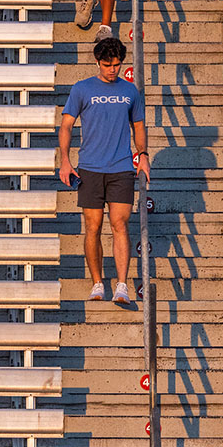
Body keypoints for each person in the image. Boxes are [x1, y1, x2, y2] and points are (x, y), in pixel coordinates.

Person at [59, 37, 151, 305]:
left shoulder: (130, 91)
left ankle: (121, 285)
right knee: (93, 226)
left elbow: (139, 126)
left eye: (117, 64)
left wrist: (143, 156)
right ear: (98, 62)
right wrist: (65, 160)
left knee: (120, 224)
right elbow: (66, 126)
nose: (113, 69)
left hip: (121, 167)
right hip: (90, 168)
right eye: (107, 64)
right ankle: (98, 283)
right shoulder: (81, 89)